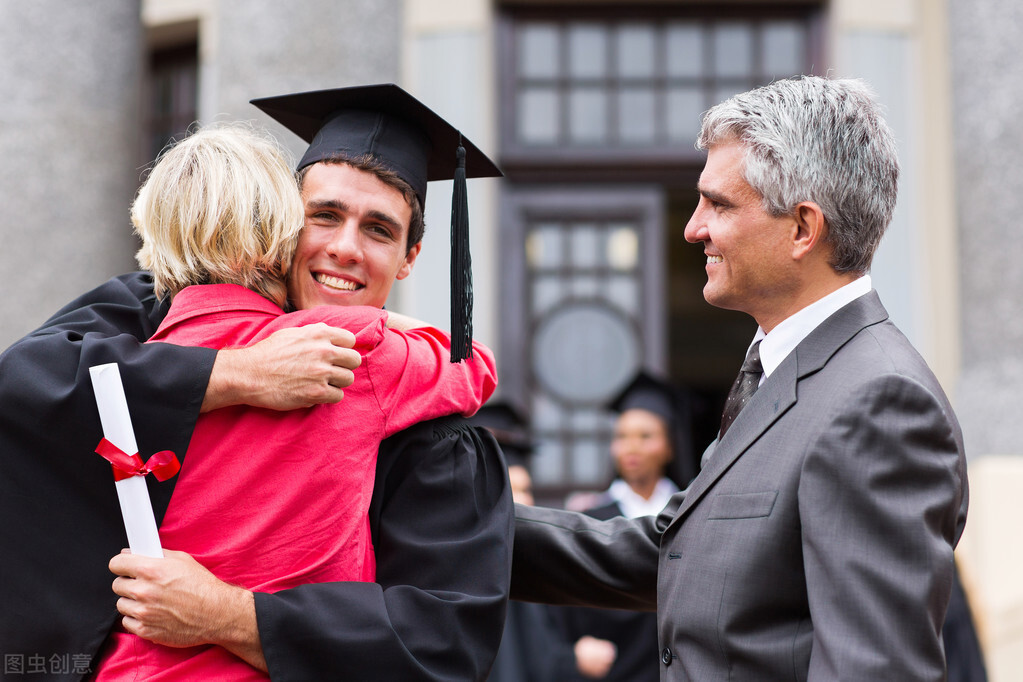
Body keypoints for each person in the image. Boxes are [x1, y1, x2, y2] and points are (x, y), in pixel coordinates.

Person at [0, 84, 510, 681]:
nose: (344, 248)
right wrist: (232, 374)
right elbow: (23, 383)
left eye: (378, 230)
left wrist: (232, 615)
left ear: (409, 257)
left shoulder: (438, 439)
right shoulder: (153, 307)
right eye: (323, 216)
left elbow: (441, 639)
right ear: (279, 226)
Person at [511, 75, 968, 680]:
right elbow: (677, 553)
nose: (692, 227)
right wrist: (454, 518)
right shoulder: (786, 373)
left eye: (718, 204)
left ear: (803, 229)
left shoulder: (879, 404)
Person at [551, 371, 685, 682]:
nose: (631, 447)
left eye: (645, 436)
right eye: (622, 436)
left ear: (669, 447)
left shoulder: (687, 515)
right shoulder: (593, 519)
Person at [471, 402, 611, 682]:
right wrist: (575, 660)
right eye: (515, 489)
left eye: (528, 489)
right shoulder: (479, 568)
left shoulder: (524, 558)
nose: (527, 501)